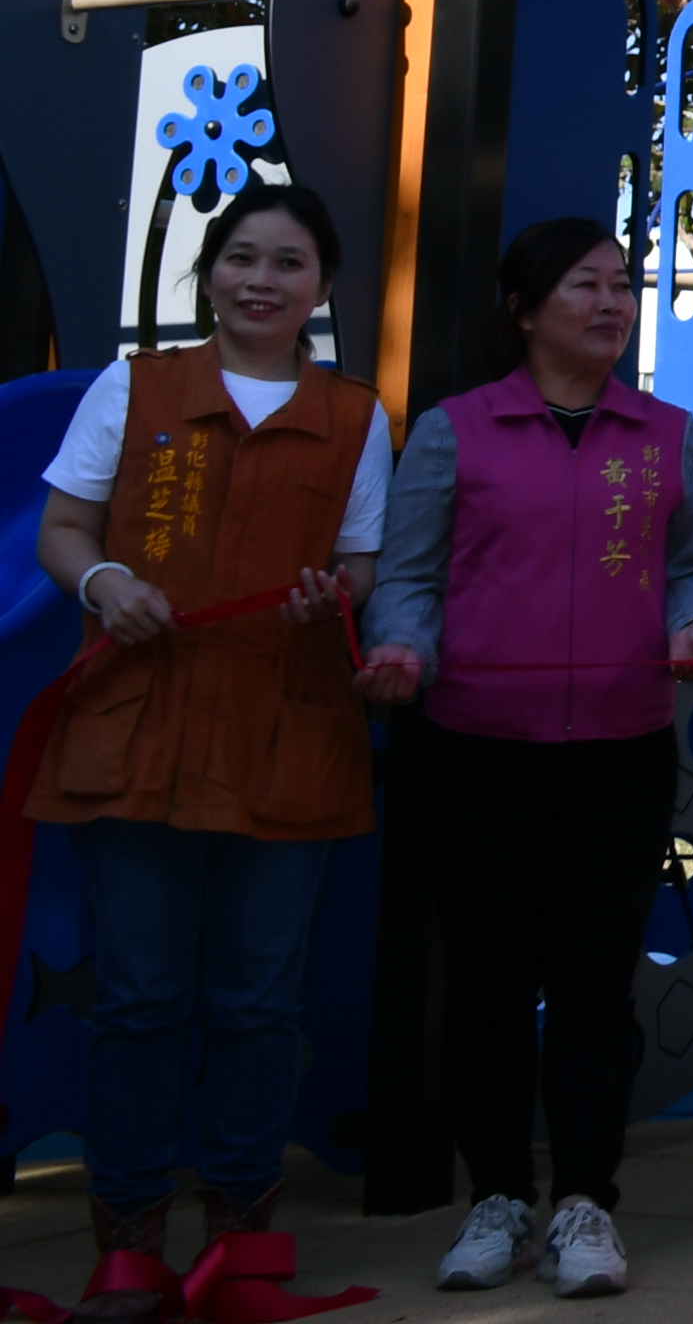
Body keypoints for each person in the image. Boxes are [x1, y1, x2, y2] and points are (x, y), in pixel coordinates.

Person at [27, 183, 387, 1316]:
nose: (261, 281)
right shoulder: (133, 388)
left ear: (320, 287)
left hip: (285, 735)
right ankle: (129, 1237)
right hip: (136, 731)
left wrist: (336, 596)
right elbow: (62, 528)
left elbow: (365, 564)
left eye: (288, 263)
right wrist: (104, 581)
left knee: (258, 1005)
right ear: (209, 273)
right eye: (242, 258)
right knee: (139, 998)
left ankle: (240, 1236)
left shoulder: (357, 415)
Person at [357, 220, 693, 1301]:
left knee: (594, 987)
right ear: (523, 311)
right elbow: (409, 577)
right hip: (475, 749)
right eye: (584, 286)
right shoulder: (454, 432)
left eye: (622, 285)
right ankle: (498, 1198)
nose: (612, 304)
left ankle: (585, 1201)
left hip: (621, 749)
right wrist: (403, 648)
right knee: (484, 986)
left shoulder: (667, 435)